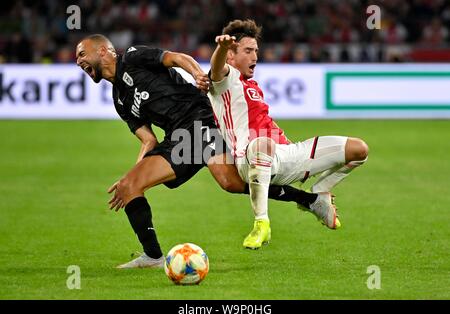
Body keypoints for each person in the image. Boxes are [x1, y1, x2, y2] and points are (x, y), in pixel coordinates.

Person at [75, 34, 322, 267]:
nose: (79, 61)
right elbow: (148, 140)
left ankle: (152, 257)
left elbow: (176, 57)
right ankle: (310, 200)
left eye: (82, 53)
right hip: (180, 136)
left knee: (228, 182)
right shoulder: (119, 99)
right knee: (231, 182)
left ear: (103, 50)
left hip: (198, 119)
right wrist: (133, 175)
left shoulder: (132, 57)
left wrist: (197, 75)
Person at [207, 19, 369, 249]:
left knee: (359, 150)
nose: (255, 57)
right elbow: (216, 68)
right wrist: (222, 48)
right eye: (248, 51)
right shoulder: (226, 80)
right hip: (249, 159)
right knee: (262, 144)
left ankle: (320, 193)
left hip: (286, 155)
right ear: (231, 56)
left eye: (256, 51)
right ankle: (261, 223)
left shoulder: (252, 86)